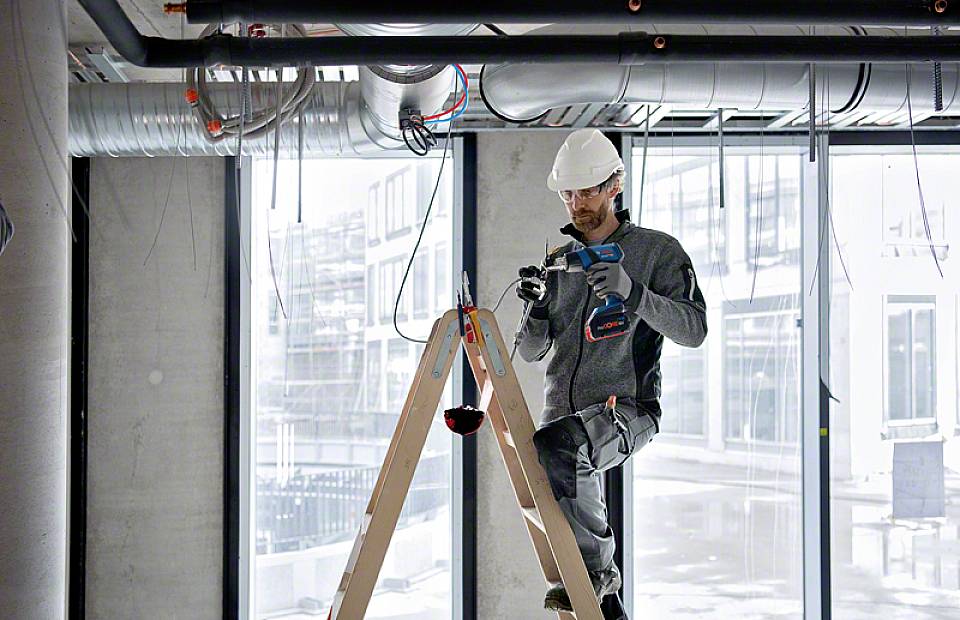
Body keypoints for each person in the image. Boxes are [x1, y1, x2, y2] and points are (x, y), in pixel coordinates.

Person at [515, 129, 708, 613]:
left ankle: (599, 572)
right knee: (557, 446)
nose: (577, 203)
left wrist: (634, 292)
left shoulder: (657, 251)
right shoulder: (559, 262)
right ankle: (607, 605)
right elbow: (531, 352)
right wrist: (536, 308)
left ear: (614, 186)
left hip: (629, 408)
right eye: (569, 193)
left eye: (587, 191)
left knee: (560, 446)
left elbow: (694, 329)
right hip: (561, 419)